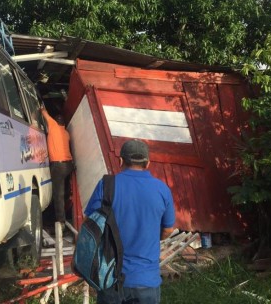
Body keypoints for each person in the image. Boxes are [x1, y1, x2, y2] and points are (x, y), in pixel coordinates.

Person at [84, 139, 175, 304]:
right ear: (147, 164)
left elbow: (89, 225)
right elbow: (168, 230)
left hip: (110, 278)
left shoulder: (106, 186)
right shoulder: (162, 190)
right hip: (147, 281)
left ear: (120, 161)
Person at [41, 107, 74, 224]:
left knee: (58, 194)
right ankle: (67, 213)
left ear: (55, 122)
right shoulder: (66, 133)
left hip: (58, 166)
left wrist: (41, 108)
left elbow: (44, 112)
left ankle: (61, 221)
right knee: (65, 191)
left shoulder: (53, 126)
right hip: (69, 165)